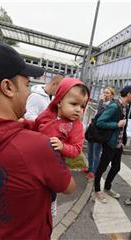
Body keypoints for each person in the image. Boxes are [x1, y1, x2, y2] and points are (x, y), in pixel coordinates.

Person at [0, 42, 75, 239]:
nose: (28, 92)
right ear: (7, 87)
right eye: (26, 85)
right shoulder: (36, 147)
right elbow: (69, 186)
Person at [24, 77, 89, 216]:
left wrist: (63, 146)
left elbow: (76, 149)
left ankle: (50, 206)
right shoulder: (47, 116)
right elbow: (35, 126)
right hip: (35, 160)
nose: (78, 110)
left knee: (49, 190)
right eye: (74, 104)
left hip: (54, 165)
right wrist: (24, 123)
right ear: (59, 101)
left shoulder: (76, 126)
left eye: (82, 106)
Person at [94, 86, 131, 203]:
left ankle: (107, 187)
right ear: (129, 94)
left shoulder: (125, 107)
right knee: (102, 168)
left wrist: (122, 139)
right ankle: (97, 190)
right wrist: (116, 125)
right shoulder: (114, 106)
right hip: (110, 143)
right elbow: (100, 122)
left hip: (118, 144)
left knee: (116, 167)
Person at [83, 86, 115, 179]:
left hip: (101, 132)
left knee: (96, 152)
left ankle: (94, 171)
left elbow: (100, 115)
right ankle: (90, 168)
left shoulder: (111, 106)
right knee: (90, 150)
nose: (105, 94)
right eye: (104, 92)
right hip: (94, 130)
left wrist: (101, 102)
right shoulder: (101, 103)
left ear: (112, 95)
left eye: (107, 93)